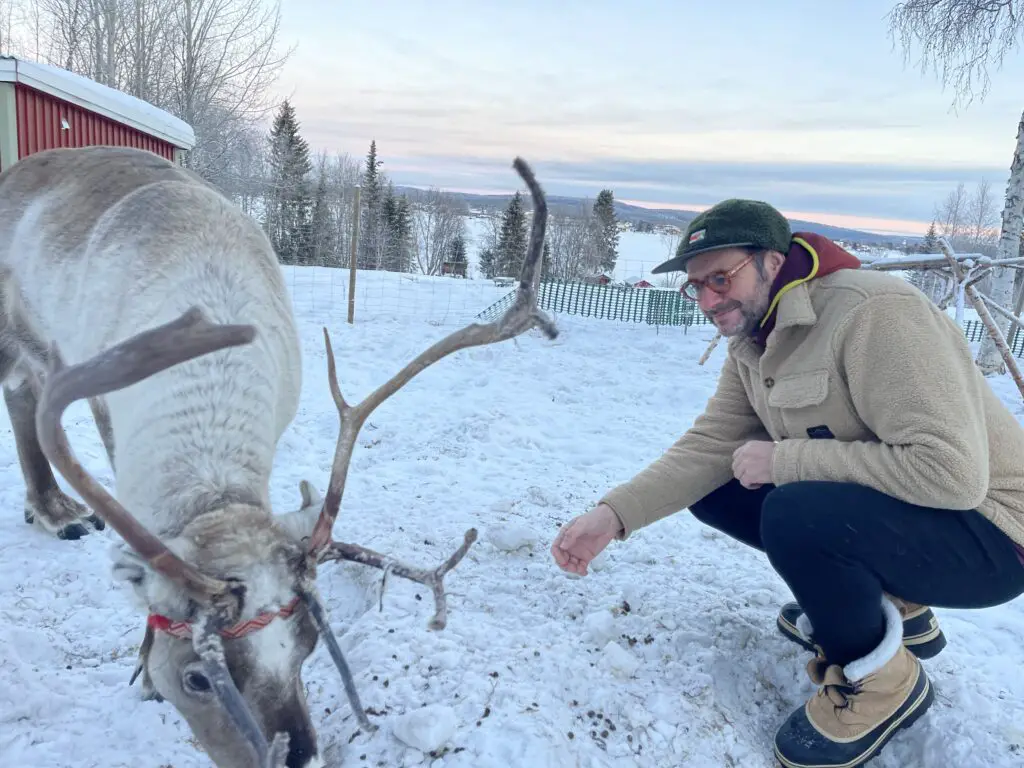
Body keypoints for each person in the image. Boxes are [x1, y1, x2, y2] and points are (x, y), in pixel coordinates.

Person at [550, 198, 1024, 768]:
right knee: (720, 486)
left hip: (995, 538)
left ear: (772, 263)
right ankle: (894, 605)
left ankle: (884, 681)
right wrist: (613, 515)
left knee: (795, 510)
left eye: (720, 278)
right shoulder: (756, 338)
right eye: (695, 287)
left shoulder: (873, 313)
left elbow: (951, 473)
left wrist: (787, 460)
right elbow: (711, 447)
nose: (706, 300)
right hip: (920, 517)